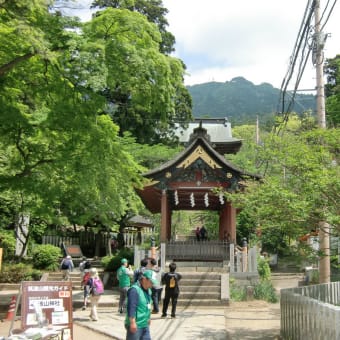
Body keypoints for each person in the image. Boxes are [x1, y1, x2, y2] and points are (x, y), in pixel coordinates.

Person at [125, 269, 158, 340]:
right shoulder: (134, 290)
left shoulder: (149, 291)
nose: (152, 284)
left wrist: (148, 318)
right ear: (144, 279)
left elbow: (148, 305)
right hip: (136, 324)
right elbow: (131, 307)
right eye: (151, 282)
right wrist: (132, 322)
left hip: (145, 324)